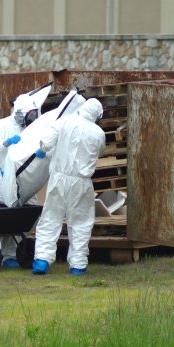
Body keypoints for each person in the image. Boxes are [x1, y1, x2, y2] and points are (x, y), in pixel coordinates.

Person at [31, 98, 106, 276]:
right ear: (97, 115)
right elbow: (99, 152)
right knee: (80, 222)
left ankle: (42, 260)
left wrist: (41, 150)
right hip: (82, 182)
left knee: (51, 218)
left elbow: (46, 142)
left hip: (58, 178)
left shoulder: (64, 121)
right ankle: (78, 266)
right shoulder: (98, 133)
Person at [0, 93, 40, 268]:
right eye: (28, 115)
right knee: (9, 217)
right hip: (3, 179)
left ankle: (20, 250)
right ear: (19, 112)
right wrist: (7, 142)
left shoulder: (29, 128)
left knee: (28, 213)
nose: (31, 119)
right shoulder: (0, 126)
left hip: (24, 179)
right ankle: (8, 255)